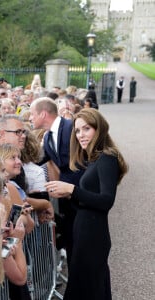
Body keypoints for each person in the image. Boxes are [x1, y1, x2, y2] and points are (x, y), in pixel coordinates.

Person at [45, 108, 128, 300]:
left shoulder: (107, 157)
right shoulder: (94, 158)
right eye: (77, 130)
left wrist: (72, 190)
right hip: (84, 230)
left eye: (86, 129)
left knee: (87, 289)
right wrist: (66, 199)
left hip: (93, 235)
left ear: (99, 129)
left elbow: (106, 201)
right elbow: (88, 200)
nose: (81, 135)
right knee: (91, 289)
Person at [29, 97, 83, 265]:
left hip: (82, 198)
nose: (30, 118)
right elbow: (39, 160)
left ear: (43, 114)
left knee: (84, 247)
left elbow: (85, 162)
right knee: (73, 245)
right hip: (67, 201)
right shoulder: (47, 137)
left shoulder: (71, 128)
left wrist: (76, 190)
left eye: (32, 114)